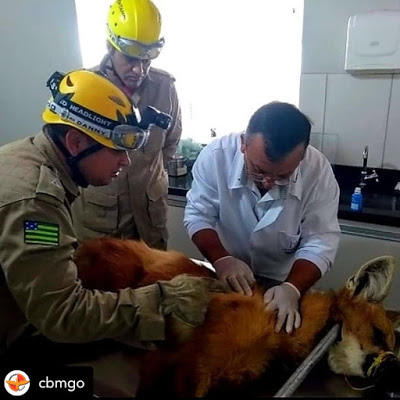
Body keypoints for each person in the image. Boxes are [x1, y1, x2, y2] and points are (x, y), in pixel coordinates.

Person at [0, 69, 227, 365]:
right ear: (75, 142)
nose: (126, 161)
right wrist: (164, 298)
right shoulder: (35, 203)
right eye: (117, 149)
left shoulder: (22, 155)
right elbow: (63, 315)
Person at [184, 101, 341, 335]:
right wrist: (221, 259)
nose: (268, 182)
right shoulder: (215, 157)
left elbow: (320, 241)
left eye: (282, 176)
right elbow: (198, 215)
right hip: (227, 273)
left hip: (285, 279)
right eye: (258, 170)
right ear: (243, 144)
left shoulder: (318, 173)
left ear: (302, 157)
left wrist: (293, 289)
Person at [71, 0, 182, 250]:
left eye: (146, 61)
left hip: (149, 218)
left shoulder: (165, 87)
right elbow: (70, 154)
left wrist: (149, 174)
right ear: (110, 47)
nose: (138, 70)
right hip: (101, 220)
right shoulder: (83, 89)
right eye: (130, 59)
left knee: (155, 283)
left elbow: (171, 140)